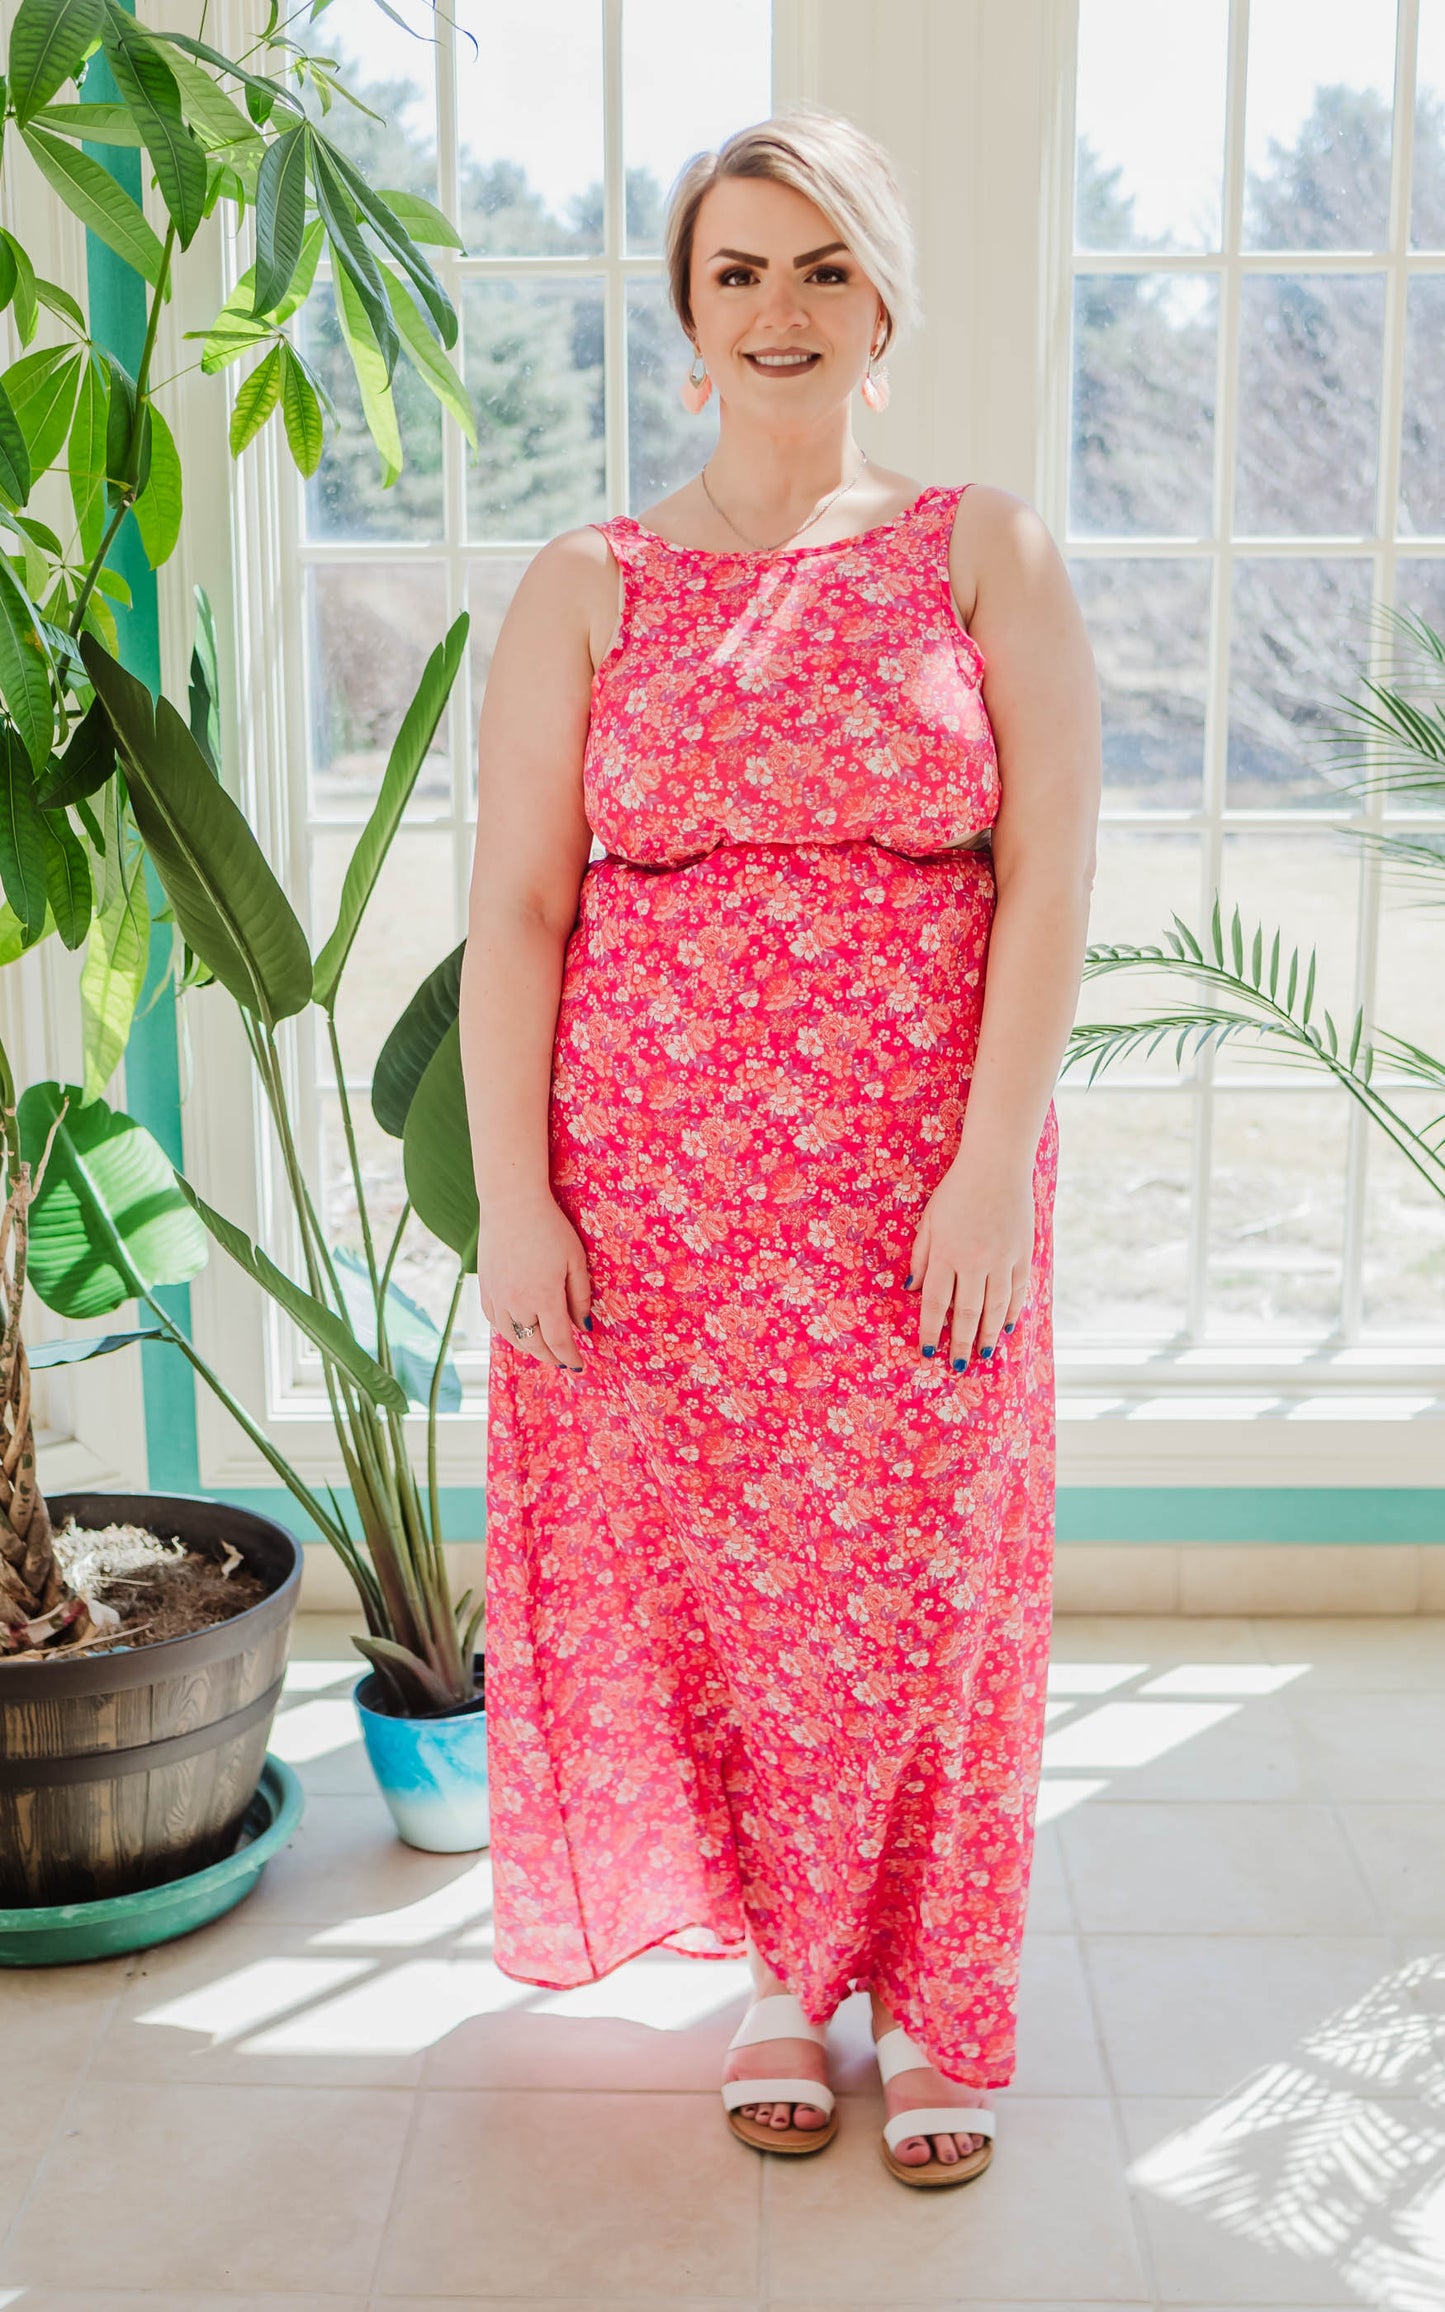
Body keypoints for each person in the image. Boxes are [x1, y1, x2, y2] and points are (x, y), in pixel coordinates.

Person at [458, 103, 1100, 2189]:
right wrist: (516, 1193)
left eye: (821, 265)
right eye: (737, 272)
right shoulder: (587, 584)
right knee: (723, 1591)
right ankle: (778, 1976)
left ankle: (930, 1992)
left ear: (886, 298)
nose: (780, 309)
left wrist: (994, 1156)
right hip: (661, 1199)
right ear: (685, 317)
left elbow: (1055, 871)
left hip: (928, 1189)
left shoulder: (982, 551)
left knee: (934, 1580)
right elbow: (523, 912)